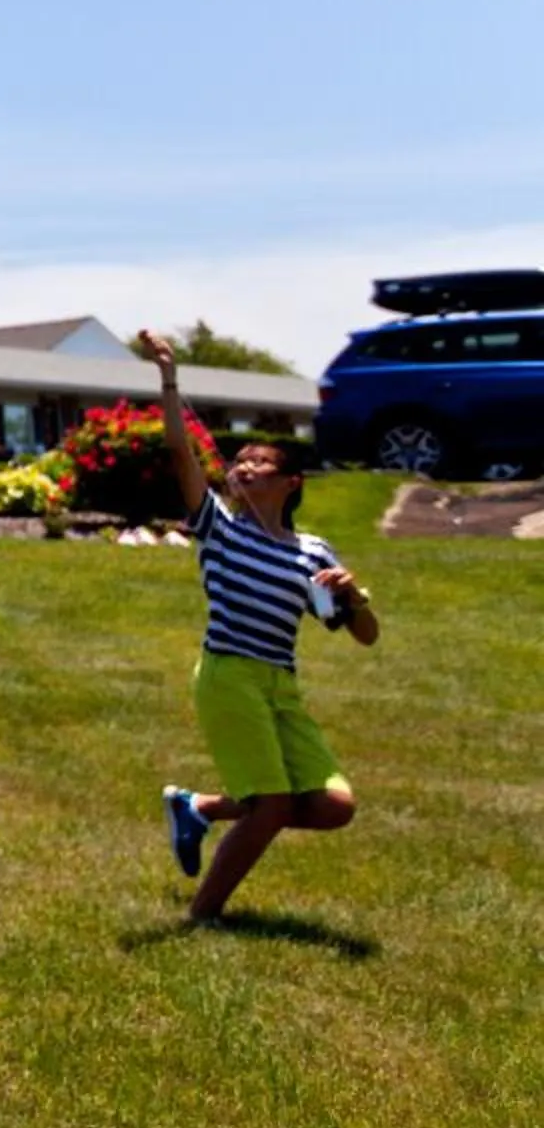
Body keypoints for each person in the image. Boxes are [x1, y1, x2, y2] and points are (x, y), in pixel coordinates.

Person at [136, 327, 380, 924]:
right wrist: (168, 377)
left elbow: (365, 634)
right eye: (240, 460)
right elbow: (179, 451)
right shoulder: (219, 526)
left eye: (260, 463)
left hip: (280, 683)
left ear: (289, 482)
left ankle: (196, 806)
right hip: (228, 676)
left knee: (332, 805)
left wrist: (354, 598)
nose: (244, 466)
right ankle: (203, 917)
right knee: (270, 805)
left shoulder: (313, 551)